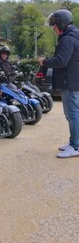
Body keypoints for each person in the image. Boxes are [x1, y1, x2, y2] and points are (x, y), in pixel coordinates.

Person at [38, 9, 79, 158]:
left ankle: (75, 146)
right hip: (73, 81)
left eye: (54, 26)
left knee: (73, 114)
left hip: (70, 82)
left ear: (61, 24)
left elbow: (61, 61)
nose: (53, 29)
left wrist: (45, 61)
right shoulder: (73, 36)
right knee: (74, 114)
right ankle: (74, 142)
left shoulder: (68, 39)